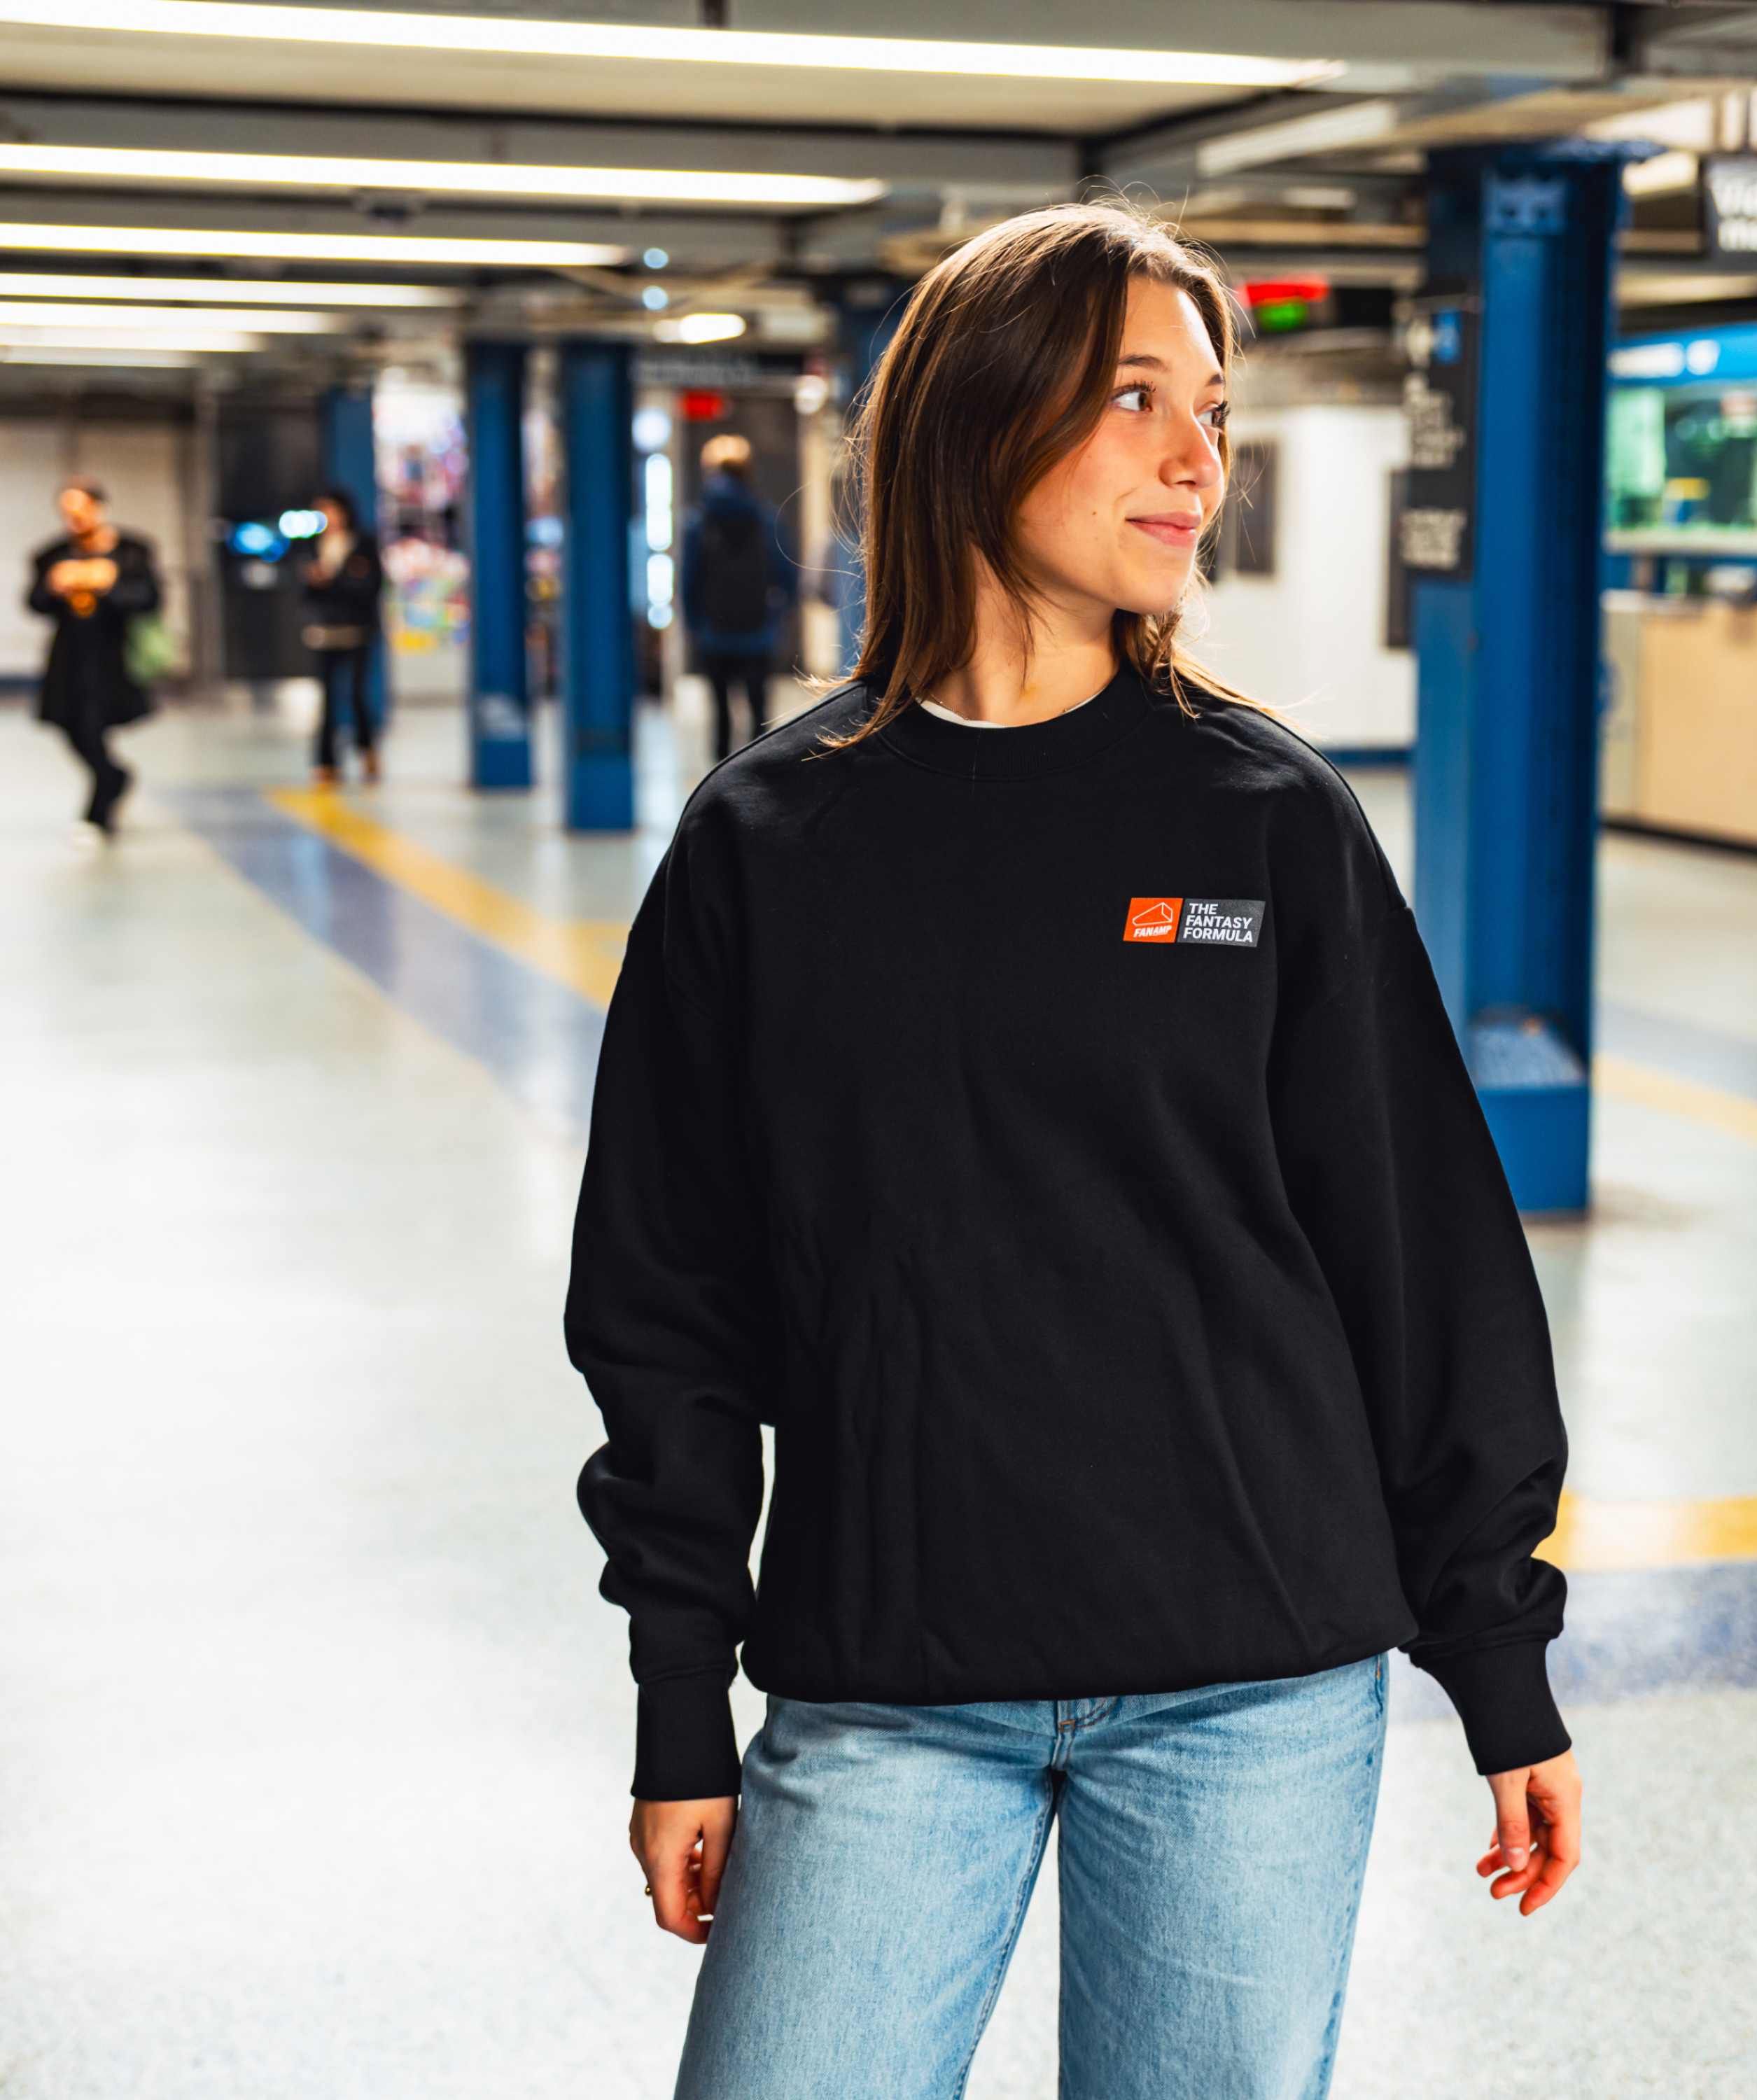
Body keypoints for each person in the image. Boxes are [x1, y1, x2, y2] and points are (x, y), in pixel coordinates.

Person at [568, 203, 1581, 2100]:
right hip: (884, 1677)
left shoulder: (1266, 820)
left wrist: (1497, 1650)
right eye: (1135, 397)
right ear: (975, 415)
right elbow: (664, 1306)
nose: (1200, 456)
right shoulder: (766, 845)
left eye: (1213, 404)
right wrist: (681, 1696)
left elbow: (1421, 1259)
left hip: (1251, 1680)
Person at [26, 477, 162, 839]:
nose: (76, 521)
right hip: (70, 655)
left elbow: (149, 600)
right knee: (73, 729)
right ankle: (114, 777)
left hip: (114, 656)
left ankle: (98, 815)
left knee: (93, 724)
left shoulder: (132, 550)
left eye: (82, 511)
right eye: (68, 514)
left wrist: (109, 585)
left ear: (100, 509)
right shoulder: (53, 554)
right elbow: (34, 603)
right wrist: (55, 587)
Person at [680, 433, 793, 759]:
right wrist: (779, 616)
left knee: (720, 711)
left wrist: (694, 624)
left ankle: (719, 780)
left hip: (714, 632)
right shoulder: (767, 517)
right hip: (758, 631)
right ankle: (757, 773)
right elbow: (785, 575)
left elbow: (690, 580)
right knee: (758, 708)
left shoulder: (698, 521)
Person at [300, 486, 385, 786]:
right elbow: (306, 593)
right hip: (324, 631)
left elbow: (370, 586)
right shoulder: (313, 545)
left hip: (357, 630)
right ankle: (326, 762)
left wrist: (332, 581)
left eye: (329, 509)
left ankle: (367, 749)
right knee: (326, 699)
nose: (326, 516)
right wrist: (315, 581)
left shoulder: (363, 543)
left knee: (356, 695)